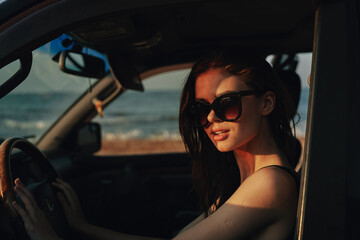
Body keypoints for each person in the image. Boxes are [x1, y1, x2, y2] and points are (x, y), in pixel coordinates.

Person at [12, 49, 300, 240]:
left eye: (227, 104)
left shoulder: (270, 183)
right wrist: (83, 228)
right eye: (200, 109)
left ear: (266, 103)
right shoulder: (248, 182)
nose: (211, 118)